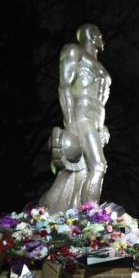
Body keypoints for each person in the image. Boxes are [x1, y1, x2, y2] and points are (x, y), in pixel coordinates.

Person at [39, 24, 112, 212]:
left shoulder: (102, 68)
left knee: (88, 169)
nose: (102, 39)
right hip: (81, 116)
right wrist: (70, 121)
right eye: (100, 35)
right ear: (92, 35)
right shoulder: (74, 51)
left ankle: (80, 210)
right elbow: (64, 86)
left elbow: (101, 102)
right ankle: (89, 217)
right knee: (99, 166)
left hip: (96, 120)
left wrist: (102, 127)